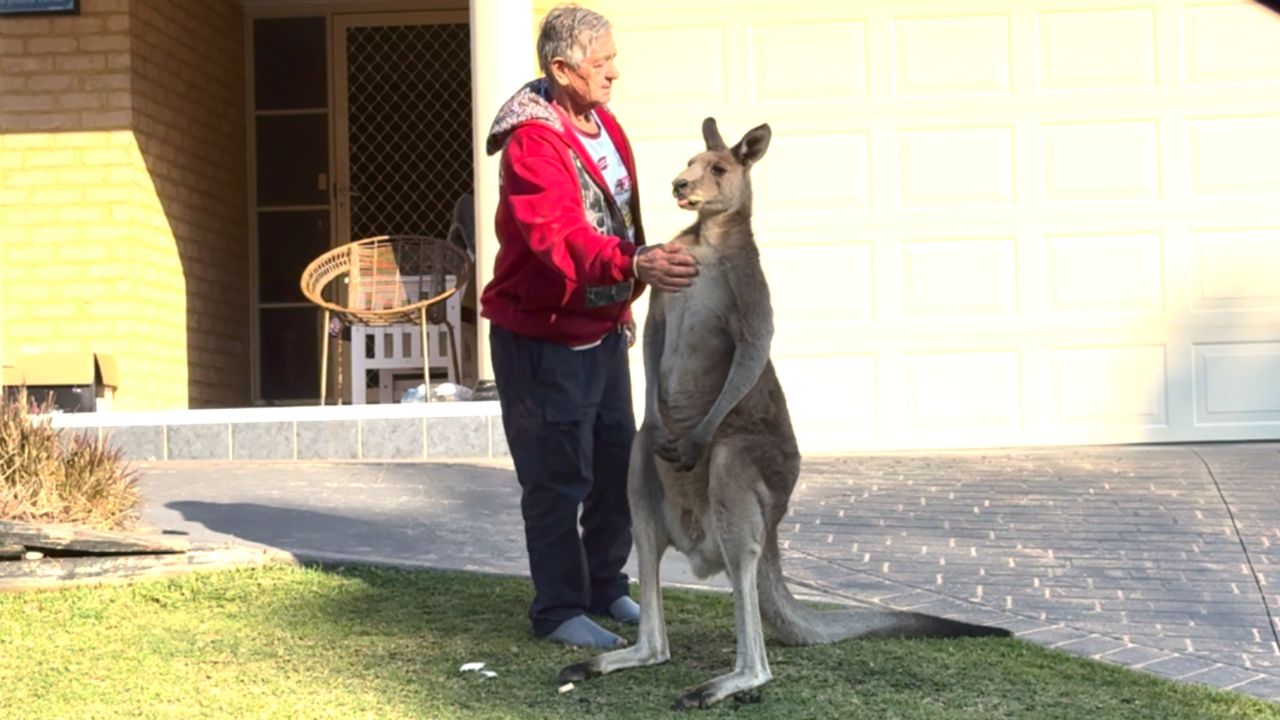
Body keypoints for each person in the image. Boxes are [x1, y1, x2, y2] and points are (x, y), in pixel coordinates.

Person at [480, 4, 699, 649]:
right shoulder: (532, 143)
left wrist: (623, 296)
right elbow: (559, 238)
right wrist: (634, 262)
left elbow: (617, 217)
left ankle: (605, 586)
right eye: (600, 63)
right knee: (555, 479)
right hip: (540, 341)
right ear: (561, 68)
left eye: (612, 59)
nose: (613, 73)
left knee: (615, 469)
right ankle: (558, 611)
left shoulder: (604, 124)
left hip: (599, 332)